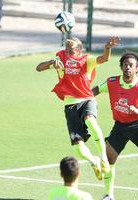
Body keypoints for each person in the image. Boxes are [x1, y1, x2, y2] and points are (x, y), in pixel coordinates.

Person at [36, 36, 119, 181]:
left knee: (91, 121)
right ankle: (93, 161)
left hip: (87, 99)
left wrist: (107, 48)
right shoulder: (60, 60)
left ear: (80, 50)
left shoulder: (87, 60)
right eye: (67, 50)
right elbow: (38, 68)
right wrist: (51, 63)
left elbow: (104, 59)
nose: (68, 53)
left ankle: (103, 159)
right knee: (77, 146)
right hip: (70, 105)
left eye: (72, 50)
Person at [92, 51, 138, 200]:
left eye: (131, 65)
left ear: (137, 68)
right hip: (119, 127)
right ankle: (108, 196)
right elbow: (95, 90)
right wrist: (85, 98)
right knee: (108, 159)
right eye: (125, 64)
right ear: (121, 67)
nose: (128, 67)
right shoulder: (111, 82)